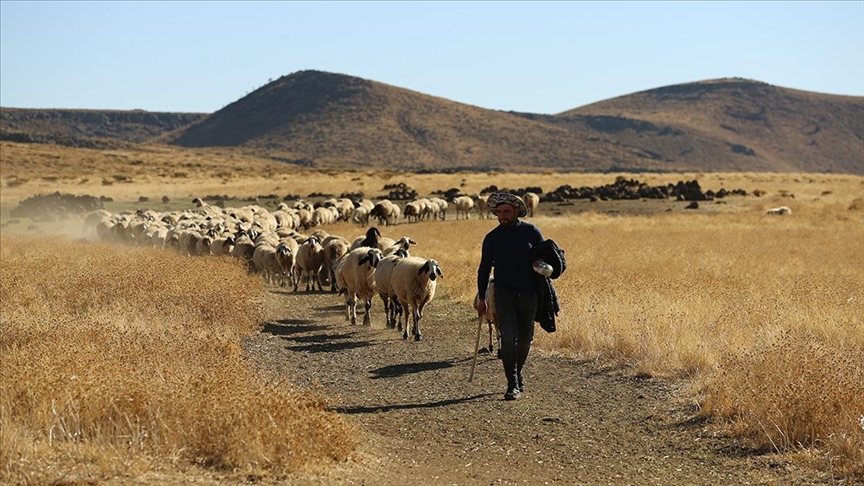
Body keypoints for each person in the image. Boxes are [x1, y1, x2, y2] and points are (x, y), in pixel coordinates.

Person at [476, 192, 545, 401]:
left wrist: (544, 267)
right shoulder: (492, 238)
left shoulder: (531, 232)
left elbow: (544, 257)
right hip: (503, 294)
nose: (502, 216)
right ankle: (512, 383)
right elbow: (483, 269)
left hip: (529, 293)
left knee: (525, 340)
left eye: (506, 212)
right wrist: (482, 297)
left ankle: (517, 372)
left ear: (517, 211)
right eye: (499, 212)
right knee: (507, 338)